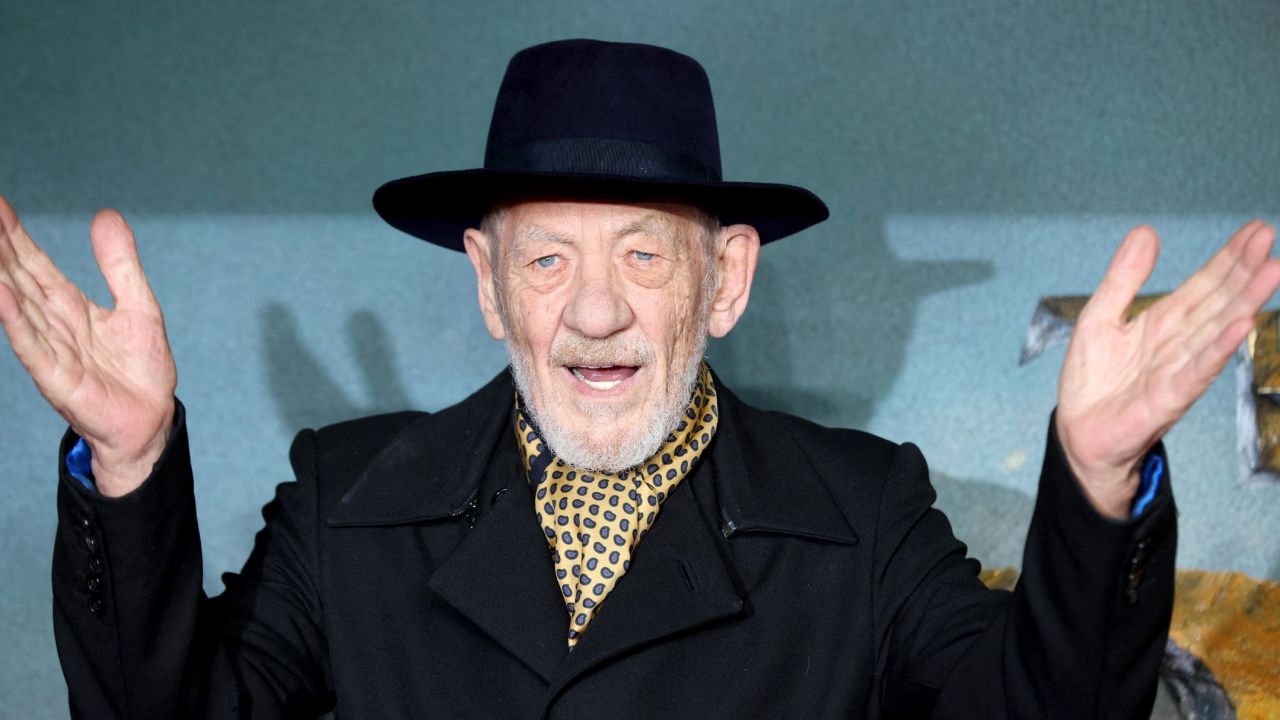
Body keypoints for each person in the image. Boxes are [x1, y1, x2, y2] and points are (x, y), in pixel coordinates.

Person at [0, 39, 1275, 719]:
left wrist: (1096, 481)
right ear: (488, 285)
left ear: (724, 280)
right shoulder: (347, 500)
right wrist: (129, 466)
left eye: (643, 254)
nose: (596, 309)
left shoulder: (864, 512)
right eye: (546, 257)